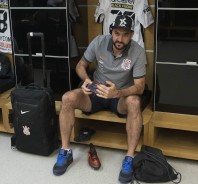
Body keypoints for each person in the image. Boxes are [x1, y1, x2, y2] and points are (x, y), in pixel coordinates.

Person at [52, 14, 147, 183]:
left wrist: (117, 93)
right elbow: (81, 65)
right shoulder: (99, 41)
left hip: (119, 97)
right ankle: (65, 152)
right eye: (117, 33)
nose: (120, 38)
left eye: (125, 34)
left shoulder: (138, 51)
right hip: (95, 93)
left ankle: (129, 158)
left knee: (134, 102)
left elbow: (140, 87)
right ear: (111, 32)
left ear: (131, 35)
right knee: (67, 98)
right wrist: (86, 80)